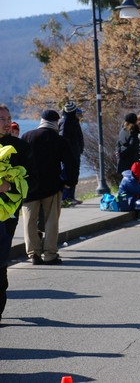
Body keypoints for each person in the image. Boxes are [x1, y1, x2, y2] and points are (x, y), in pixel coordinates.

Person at [21, 109, 76, 264]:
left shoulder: (27, 136)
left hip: (29, 187)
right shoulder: (59, 140)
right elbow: (70, 163)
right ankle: (50, 254)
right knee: (51, 220)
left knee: (29, 221)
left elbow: (20, 161)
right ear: (56, 122)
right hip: (52, 186)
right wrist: (68, 181)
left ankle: (33, 254)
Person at [0, 104, 34, 325]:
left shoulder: (19, 147)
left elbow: (33, 178)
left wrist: (11, 187)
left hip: (7, 213)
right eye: (2, 118)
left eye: (8, 118)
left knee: (1, 262)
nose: (6, 122)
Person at [59, 101, 85, 206]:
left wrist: (79, 148)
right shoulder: (65, 122)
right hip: (68, 155)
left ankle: (71, 196)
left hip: (75, 152)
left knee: (74, 175)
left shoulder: (74, 121)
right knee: (67, 175)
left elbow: (78, 137)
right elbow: (63, 138)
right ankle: (65, 197)